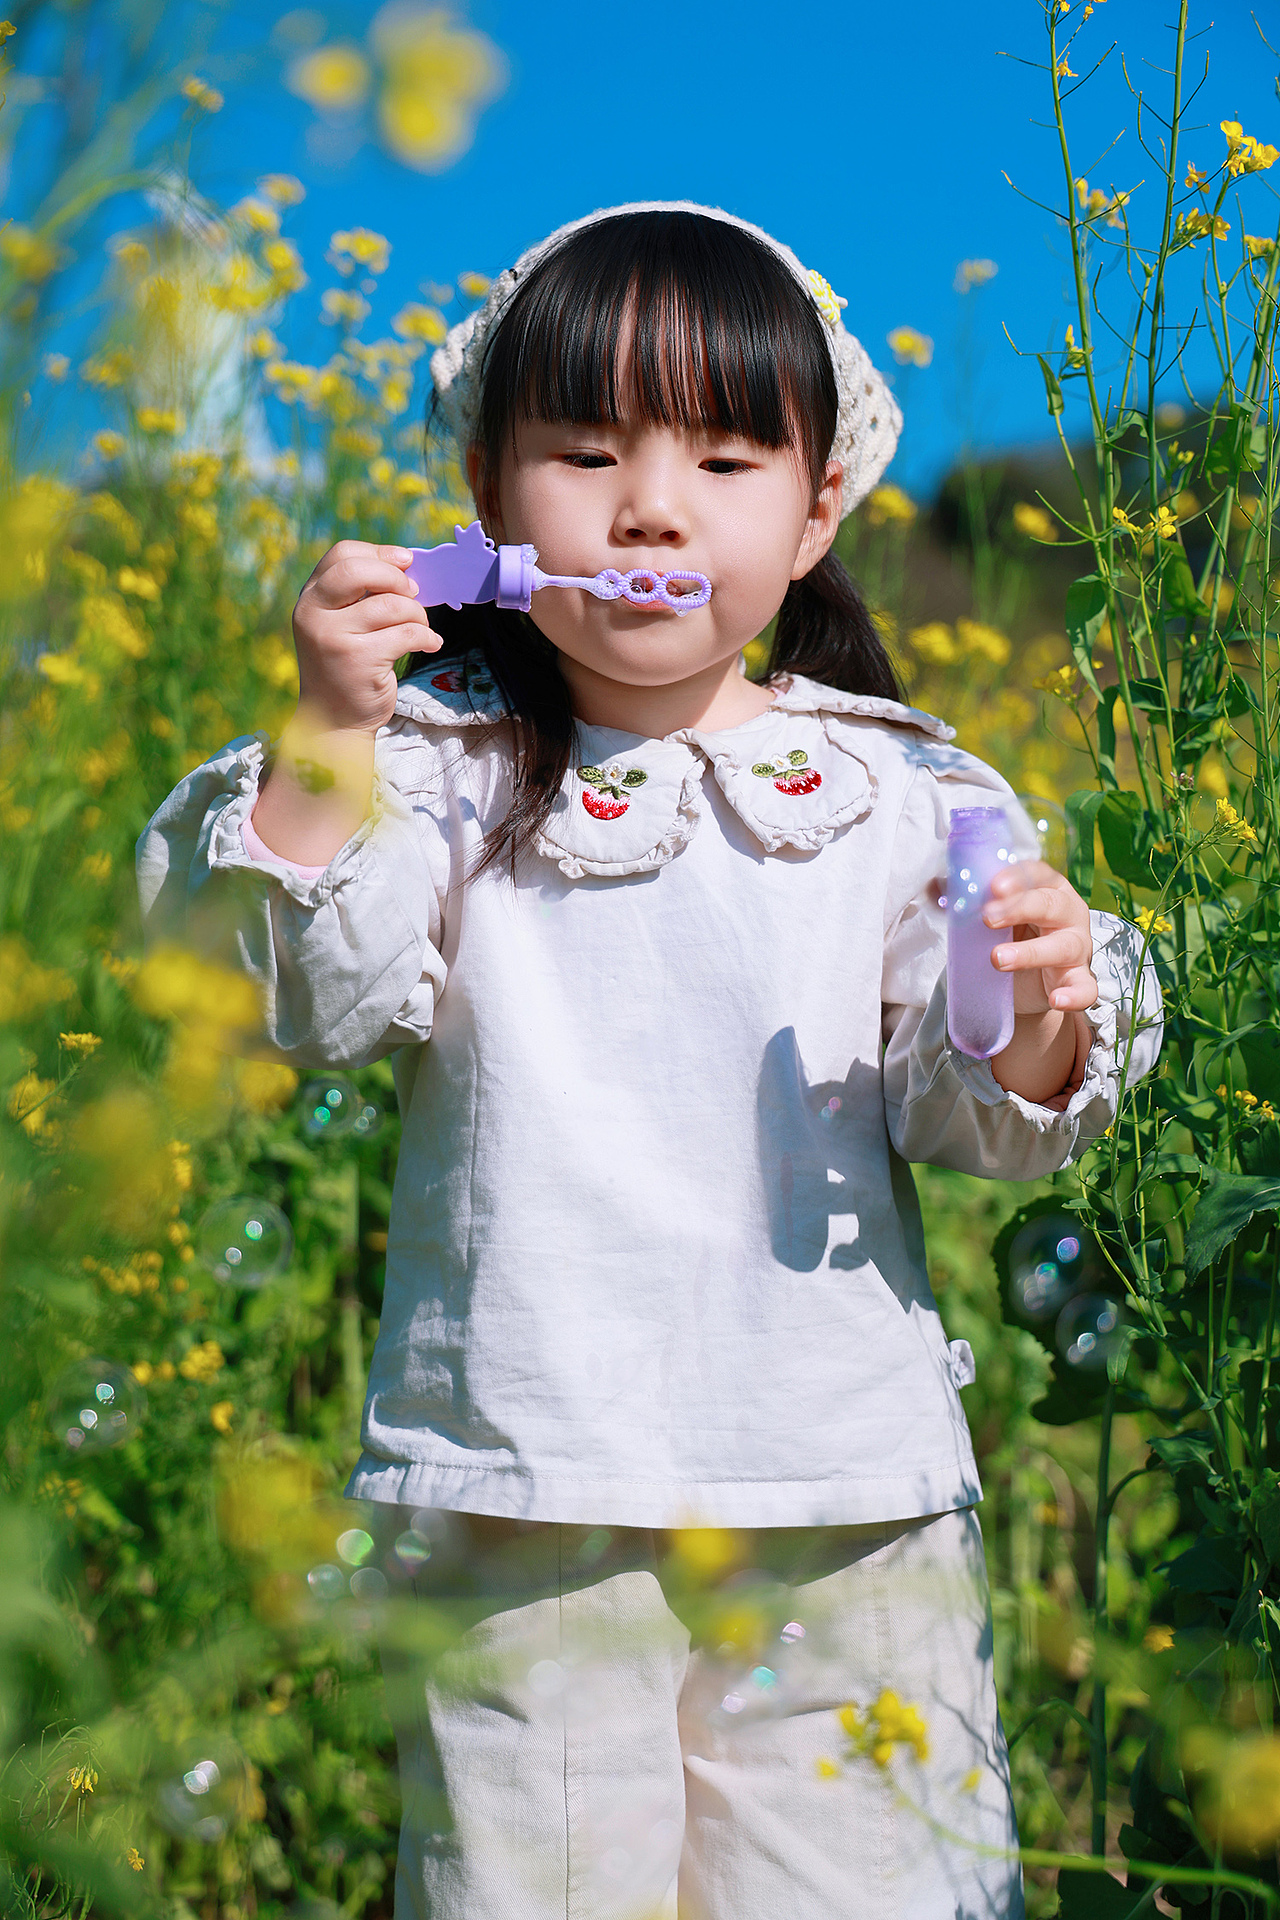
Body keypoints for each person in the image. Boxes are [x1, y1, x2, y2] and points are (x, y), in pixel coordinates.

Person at [138, 203, 1163, 1920]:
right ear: (485, 496)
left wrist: (1044, 1005)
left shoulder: (901, 789)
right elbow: (310, 1009)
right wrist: (329, 729)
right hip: (526, 1500)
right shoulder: (441, 767)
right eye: (586, 450)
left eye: (729, 457)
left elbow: (970, 1109)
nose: (650, 508)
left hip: (841, 1499)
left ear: (821, 503)